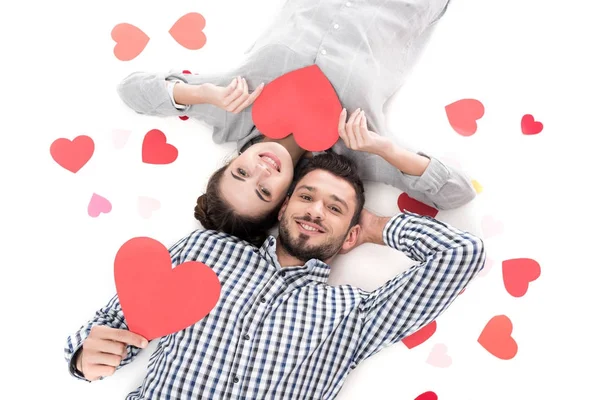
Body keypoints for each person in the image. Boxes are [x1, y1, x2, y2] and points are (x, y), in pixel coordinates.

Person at [64, 152, 486, 399]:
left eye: (336, 208)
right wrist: (85, 357)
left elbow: (462, 253)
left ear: (351, 233)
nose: (316, 211)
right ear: (283, 207)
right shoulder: (205, 249)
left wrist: (376, 227)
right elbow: (118, 323)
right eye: (306, 196)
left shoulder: (352, 313)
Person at [116, 0, 475, 246]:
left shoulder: (231, 107)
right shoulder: (356, 150)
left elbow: (131, 91)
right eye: (264, 191)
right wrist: (385, 148)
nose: (261, 170)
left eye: (241, 173)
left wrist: (204, 93)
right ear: (284, 200)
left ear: (230, 163)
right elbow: (456, 193)